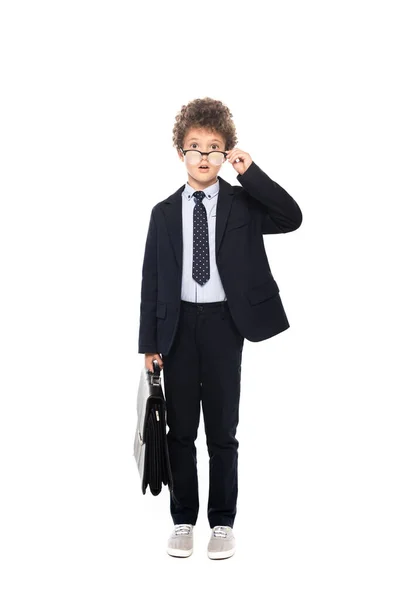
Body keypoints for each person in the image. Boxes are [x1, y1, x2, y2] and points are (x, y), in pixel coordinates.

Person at [138, 97, 302, 559]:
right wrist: (148, 343)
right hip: (178, 328)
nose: (205, 156)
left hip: (226, 324)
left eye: (215, 147)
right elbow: (151, 279)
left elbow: (292, 217)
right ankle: (183, 519)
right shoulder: (163, 213)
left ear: (227, 151)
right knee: (179, 431)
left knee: (222, 431)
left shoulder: (242, 204)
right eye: (195, 147)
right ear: (180, 154)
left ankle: (223, 522)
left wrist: (249, 173)